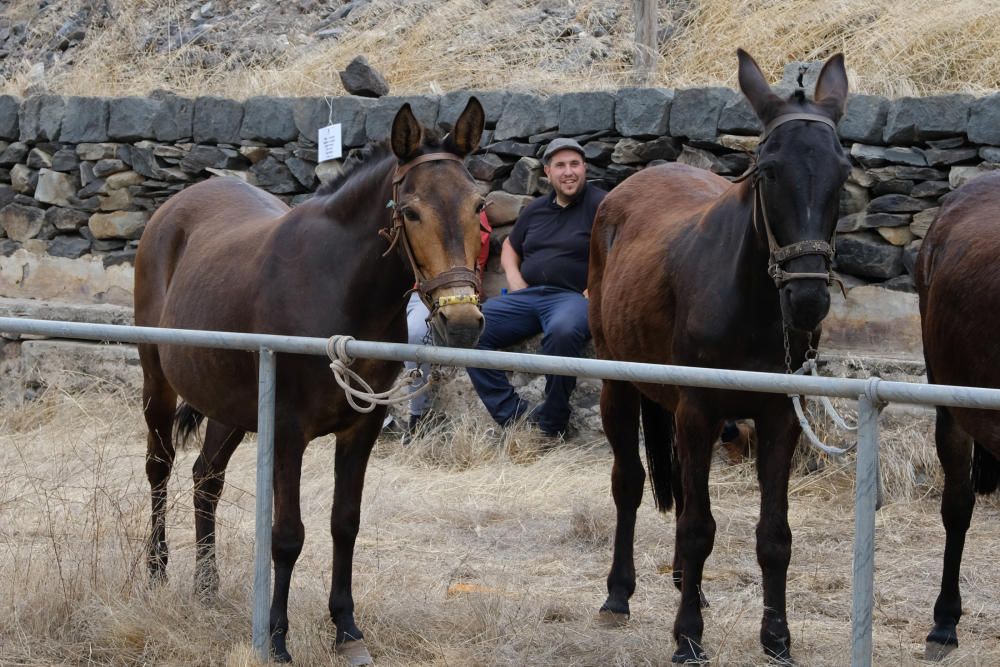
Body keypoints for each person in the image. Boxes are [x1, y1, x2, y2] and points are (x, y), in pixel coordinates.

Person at [467, 138, 607, 438]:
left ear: (584, 168)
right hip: (529, 297)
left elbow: (624, 249)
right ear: (547, 172)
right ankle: (515, 416)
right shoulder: (537, 209)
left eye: (575, 164)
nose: (568, 172)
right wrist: (515, 279)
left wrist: (597, 287)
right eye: (560, 166)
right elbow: (509, 246)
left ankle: (552, 422)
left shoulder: (602, 205)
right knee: (471, 328)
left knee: (563, 333)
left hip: (573, 298)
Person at [401, 210, 492, 445]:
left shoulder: (469, 212)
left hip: (433, 291)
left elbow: (473, 262)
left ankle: (417, 415)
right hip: (395, 288)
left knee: (417, 334)